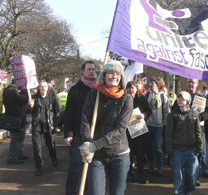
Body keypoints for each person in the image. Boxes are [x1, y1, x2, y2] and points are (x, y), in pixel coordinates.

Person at [80, 60, 133, 195]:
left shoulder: (126, 98)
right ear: (104, 75)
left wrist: (95, 145)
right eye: (111, 73)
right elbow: (85, 119)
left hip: (119, 155)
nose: (114, 76)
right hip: (97, 156)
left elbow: (120, 129)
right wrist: (87, 142)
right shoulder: (94, 94)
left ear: (121, 77)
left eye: (117, 74)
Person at [171, 78, 208, 185]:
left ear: (197, 84)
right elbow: (173, 110)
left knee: (197, 154)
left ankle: (195, 177)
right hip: (181, 133)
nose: (191, 84)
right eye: (189, 82)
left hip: (198, 131)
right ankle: (180, 176)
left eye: (193, 83)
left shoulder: (201, 98)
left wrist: (199, 117)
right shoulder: (181, 97)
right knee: (181, 155)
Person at [64, 61, 97, 195]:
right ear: (83, 71)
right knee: (75, 166)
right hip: (77, 134)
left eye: (93, 69)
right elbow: (68, 113)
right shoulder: (75, 89)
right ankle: (71, 192)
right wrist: (68, 133)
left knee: (91, 168)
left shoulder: (99, 89)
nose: (91, 71)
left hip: (94, 134)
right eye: (89, 69)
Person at [165, 91, 202, 195]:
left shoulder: (194, 114)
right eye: (179, 98)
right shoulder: (172, 115)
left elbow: (198, 132)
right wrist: (170, 151)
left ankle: (187, 190)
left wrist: (199, 148)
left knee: (192, 176)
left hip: (191, 151)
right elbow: (168, 134)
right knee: (177, 178)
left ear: (188, 101)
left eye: (182, 98)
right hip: (177, 152)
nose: (180, 101)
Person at [27, 80, 59, 176]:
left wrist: (56, 125)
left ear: (48, 88)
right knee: (37, 147)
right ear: (38, 88)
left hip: (48, 126)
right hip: (37, 127)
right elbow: (26, 111)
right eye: (41, 86)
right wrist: (30, 106)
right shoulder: (33, 98)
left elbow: (56, 111)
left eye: (45, 86)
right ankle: (38, 166)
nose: (43, 88)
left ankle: (53, 157)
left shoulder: (52, 98)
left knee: (51, 145)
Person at [126, 81, 152, 184]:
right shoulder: (124, 99)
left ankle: (141, 176)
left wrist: (144, 115)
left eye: (132, 88)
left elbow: (149, 111)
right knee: (129, 155)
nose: (131, 90)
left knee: (140, 155)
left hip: (140, 132)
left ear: (136, 89)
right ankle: (129, 175)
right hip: (127, 133)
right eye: (129, 88)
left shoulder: (142, 99)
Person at [144, 76, 169, 176]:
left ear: (157, 85)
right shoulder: (146, 94)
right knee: (150, 147)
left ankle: (160, 167)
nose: (150, 85)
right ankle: (151, 165)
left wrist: (166, 124)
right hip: (148, 125)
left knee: (158, 147)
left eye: (152, 83)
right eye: (149, 83)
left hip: (159, 126)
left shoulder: (163, 96)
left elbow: (166, 111)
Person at [3, 79, 28, 164]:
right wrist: (25, 90)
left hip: (15, 118)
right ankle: (12, 158)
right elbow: (24, 99)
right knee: (17, 138)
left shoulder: (8, 91)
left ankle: (20, 153)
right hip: (17, 119)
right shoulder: (13, 93)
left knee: (20, 138)